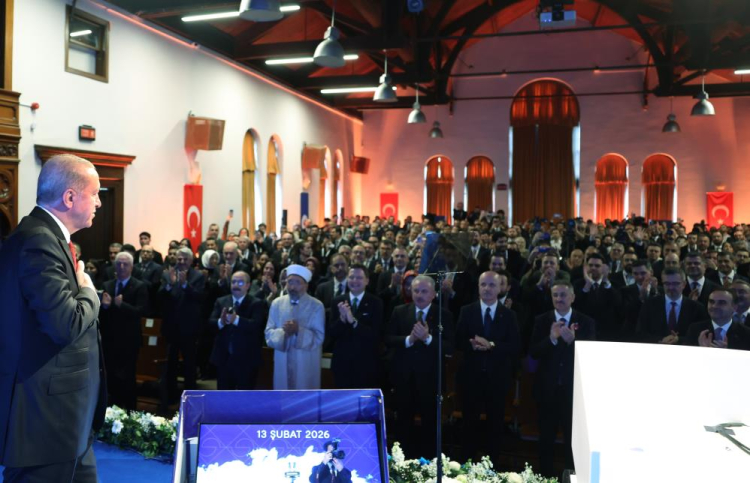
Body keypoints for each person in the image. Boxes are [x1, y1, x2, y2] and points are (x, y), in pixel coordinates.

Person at [0, 154, 106, 481]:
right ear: (69, 197)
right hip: (45, 422)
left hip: (66, 419)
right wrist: (89, 293)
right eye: (94, 193)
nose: (99, 203)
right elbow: (65, 324)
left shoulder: (48, 237)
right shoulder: (37, 241)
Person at [530, 280, 595, 478]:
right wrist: (551, 339)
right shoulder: (542, 320)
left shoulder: (586, 321)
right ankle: (544, 478)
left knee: (572, 440)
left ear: (573, 297)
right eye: (555, 295)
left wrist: (572, 342)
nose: (559, 299)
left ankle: (571, 478)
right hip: (547, 391)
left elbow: (590, 356)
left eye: (563, 295)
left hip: (573, 392)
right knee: (546, 438)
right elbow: (533, 352)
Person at [386, 275, 454, 458]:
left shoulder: (443, 315)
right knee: (403, 423)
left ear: (433, 294)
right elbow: (388, 338)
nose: (419, 295)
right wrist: (409, 340)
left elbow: (450, 347)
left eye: (424, 291)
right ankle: (401, 462)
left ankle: (429, 463)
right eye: (416, 290)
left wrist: (427, 338)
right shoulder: (399, 311)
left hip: (430, 379)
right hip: (404, 378)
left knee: (430, 424)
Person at [455, 271, 521, 462]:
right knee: (469, 423)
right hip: (471, 376)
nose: (487, 288)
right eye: (483, 284)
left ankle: (492, 467)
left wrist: (491, 345)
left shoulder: (509, 315)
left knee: (495, 424)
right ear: (478, 287)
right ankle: (466, 465)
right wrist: (472, 344)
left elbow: (515, 346)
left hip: (497, 378)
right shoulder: (467, 311)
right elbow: (457, 341)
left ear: (500, 288)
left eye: (492, 285)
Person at [100, 251, 148, 410]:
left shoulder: (139, 286)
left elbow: (141, 311)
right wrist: (104, 307)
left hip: (129, 340)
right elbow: (101, 315)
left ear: (131, 267)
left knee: (128, 378)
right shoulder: (107, 285)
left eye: (125, 264)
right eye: (118, 264)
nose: (121, 267)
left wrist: (122, 305)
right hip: (110, 339)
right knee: (110, 376)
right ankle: (112, 411)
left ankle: (130, 411)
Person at [265, 265, 325, 389]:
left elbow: (319, 337)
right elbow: (268, 333)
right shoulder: (277, 303)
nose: (292, 287)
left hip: (306, 363)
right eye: (290, 282)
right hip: (282, 362)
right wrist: (284, 333)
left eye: (297, 283)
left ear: (306, 285)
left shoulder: (316, 306)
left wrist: (299, 331)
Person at [328, 265, 384, 389]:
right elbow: (331, 333)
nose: (354, 281)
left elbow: (375, 335)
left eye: (359, 278)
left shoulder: (376, 302)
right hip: (342, 363)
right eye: (351, 277)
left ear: (367, 281)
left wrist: (354, 322)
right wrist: (342, 320)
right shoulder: (337, 301)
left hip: (366, 364)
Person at [208, 271, 266, 389]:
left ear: (248, 285)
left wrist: (236, 320)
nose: (235, 285)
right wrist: (221, 322)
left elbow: (256, 326)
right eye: (233, 282)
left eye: (240, 282)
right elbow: (210, 323)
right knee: (224, 394)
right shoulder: (221, 301)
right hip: (224, 358)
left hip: (247, 359)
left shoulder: (256, 303)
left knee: (244, 395)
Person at [686, 288, 750, 350]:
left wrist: (728, 352)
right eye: (711, 302)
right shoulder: (695, 329)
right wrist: (702, 350)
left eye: (722, 302)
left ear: (734, 307)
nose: (714, 306)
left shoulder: (746, 333)